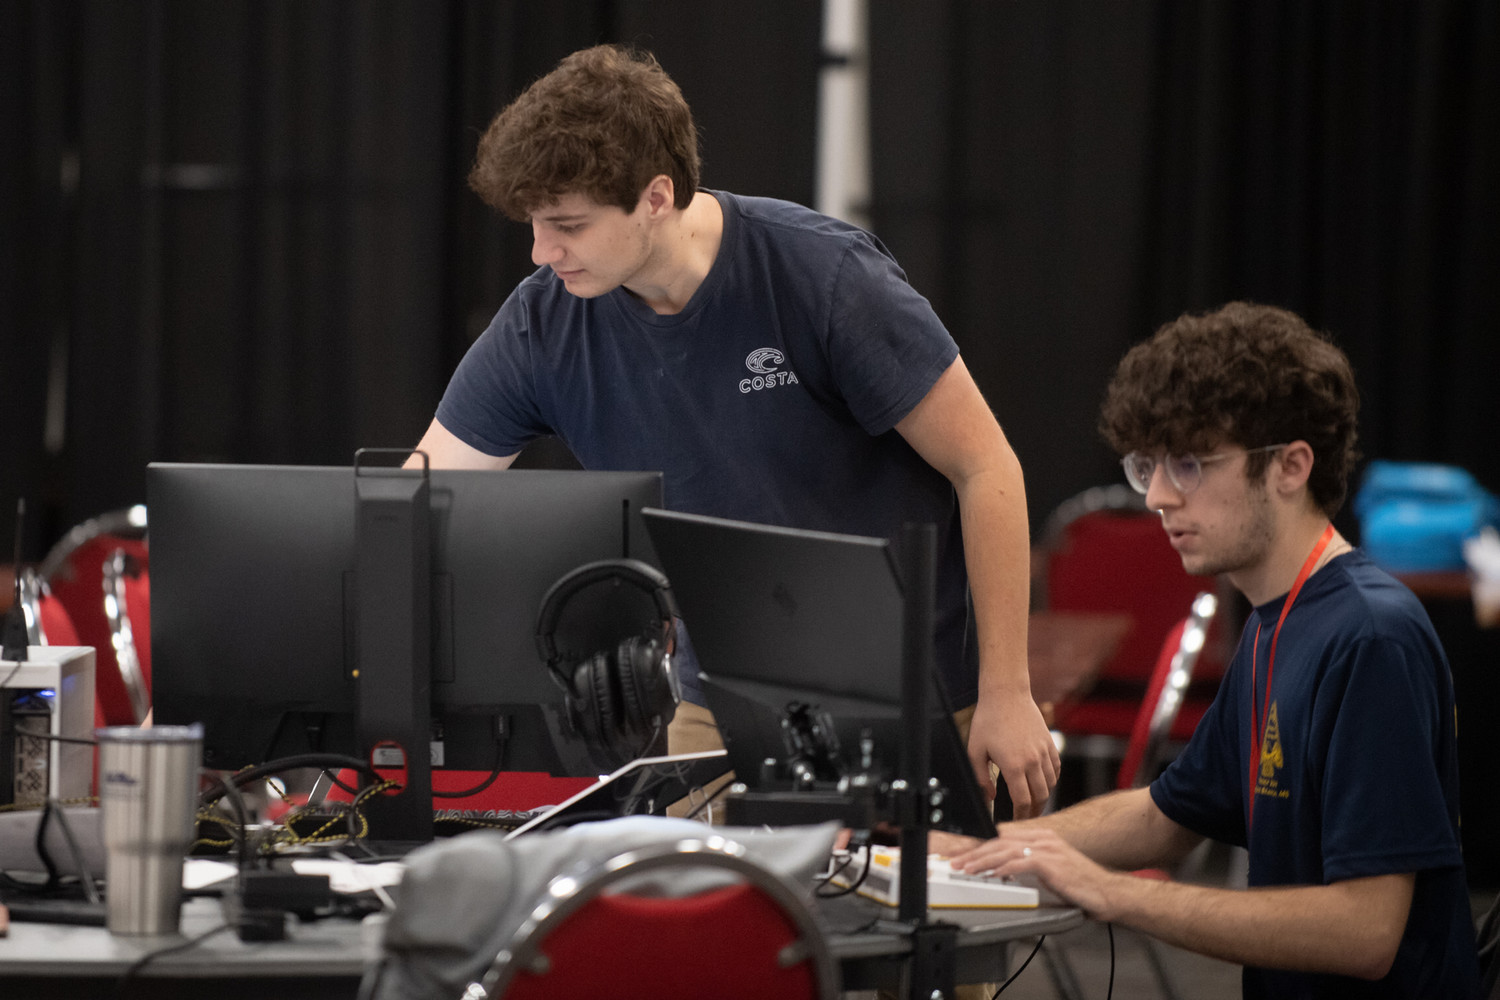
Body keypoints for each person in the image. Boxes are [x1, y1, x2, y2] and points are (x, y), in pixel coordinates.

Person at [405, 44, 1059, 817]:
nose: (543, 253)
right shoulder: (544, 322)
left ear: (655, 198)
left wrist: (1007, 692)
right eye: (536, 227)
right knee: (711, 926)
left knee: (904, 925)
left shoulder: (825, 279)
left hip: (908, 700)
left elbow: (987, 467)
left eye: (567, 226)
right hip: (717, 706)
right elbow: (420, 497)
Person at [935, 301, 1482, 997]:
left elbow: (1365, 930)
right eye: (1149, 466)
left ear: (1290, 467)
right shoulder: (1272, 623)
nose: (1158, 496)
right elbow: (1168, 816)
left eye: (1189, 465)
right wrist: (985, 854)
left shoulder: (1370, 638)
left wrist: (1112, 894)